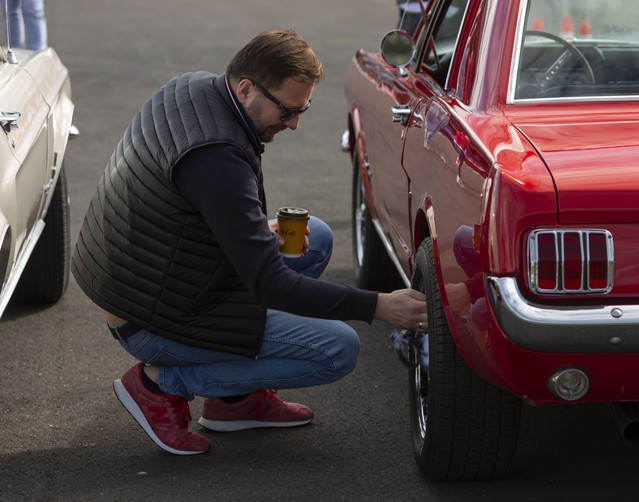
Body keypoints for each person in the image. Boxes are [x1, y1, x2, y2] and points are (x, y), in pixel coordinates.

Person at [71, 30, 427, 456]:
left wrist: (251, 232)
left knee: (315, 237)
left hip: (148, 275)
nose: (294, 123)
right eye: (287, 110)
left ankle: (234, 401)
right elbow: (271, 285)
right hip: (151, 318)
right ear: (246, 89)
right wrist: (379, 306)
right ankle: (160, 385)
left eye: (303, 109)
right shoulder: (217, 157)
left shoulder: (194, 88)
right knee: (338, 348)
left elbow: (183, 207)